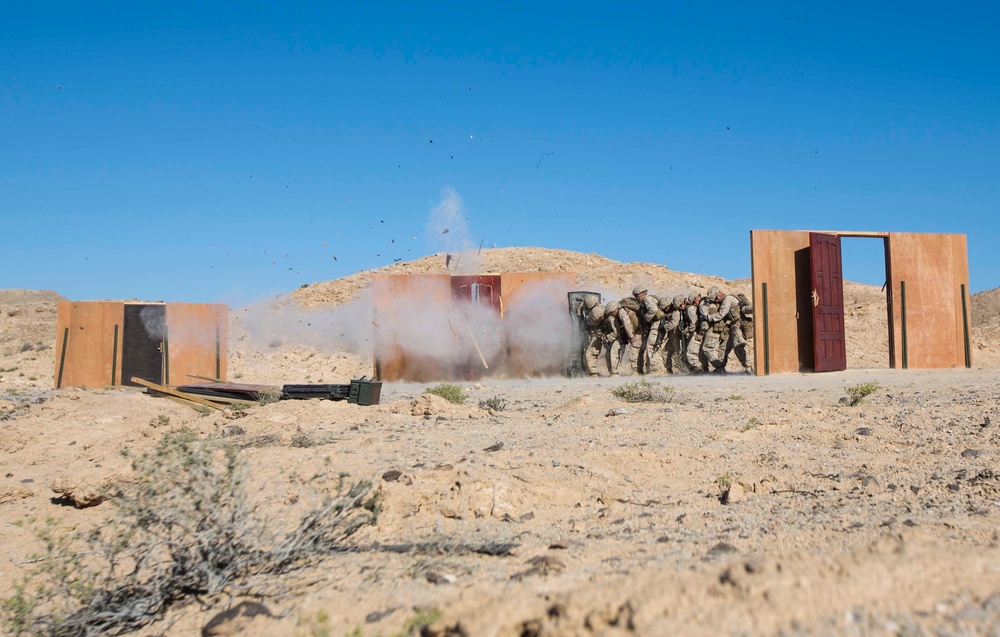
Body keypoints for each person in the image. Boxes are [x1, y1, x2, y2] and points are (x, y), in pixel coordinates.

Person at [704, 288, 754, 374]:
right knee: (723, 348)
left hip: (737, 326)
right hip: (732, 327)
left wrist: (708, 318)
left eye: (716, 298)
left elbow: (721, 314)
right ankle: (721, 369)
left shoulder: (727, 299)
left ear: (719, 293)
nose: (716, 300)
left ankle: (749, 368)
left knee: (738, 346)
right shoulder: (727, 299)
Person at [633, 285, 664, 375]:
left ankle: (656, 370)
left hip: (656, 324)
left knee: (651, 346)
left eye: (637, 296)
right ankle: (653, 368)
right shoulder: (651, 299)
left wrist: (646, 319)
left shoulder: (647, 299)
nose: (637, 298)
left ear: (641, 294)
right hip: (657, 324)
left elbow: (653, 310)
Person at [654, 294, 687, 374]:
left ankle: (688, 370)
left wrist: (664, 327)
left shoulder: (676, 312)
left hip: (676, 336)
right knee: (665, 352)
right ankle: (669, 370)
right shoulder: (672, 312)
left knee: (681, 354)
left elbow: (674, 324)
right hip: (672, 337)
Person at [602, 300, 634, 375]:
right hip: (623, 335)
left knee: (614, 351)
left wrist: (631, 337)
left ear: (614, 310)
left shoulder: (621, 313)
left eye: (611, 313)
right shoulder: (615, 316)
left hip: (627, 335)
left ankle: (615, 373)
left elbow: (627, 325)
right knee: (612, 351)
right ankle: (613, 372)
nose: (610, 315)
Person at [684, 290, 708, 373]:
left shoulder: (691, 309)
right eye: (698, 298)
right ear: (693, 299)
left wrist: (689, 329)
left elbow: (694, 321)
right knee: (700, 352)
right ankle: (704, 369)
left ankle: (698, 370)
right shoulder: (697, 308)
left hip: (697, 332)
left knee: (691, 353)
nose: (699, 299)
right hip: (701, 332)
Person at [582, 300, 606, 377]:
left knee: (590, 354)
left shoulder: (603, 313)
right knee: (587, 353)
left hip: (599, 336)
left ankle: (593, 374)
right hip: (595, 335)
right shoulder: (594, 313)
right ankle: (591, 373)